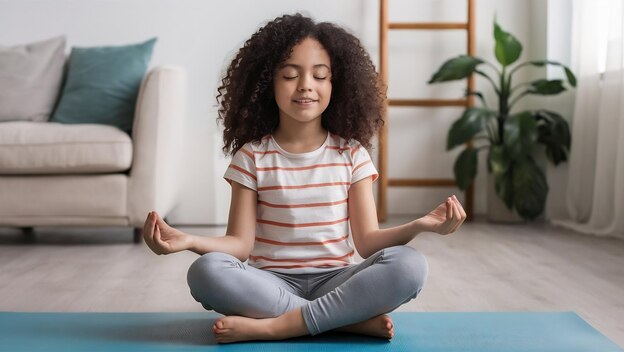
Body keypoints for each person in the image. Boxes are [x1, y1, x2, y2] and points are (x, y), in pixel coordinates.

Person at [143, 13, 466, 344]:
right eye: (289, 75)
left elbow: (367, 242)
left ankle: (278, 326)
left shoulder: (353, 155)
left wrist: (421, 225)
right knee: (205, 272)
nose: (305, 86)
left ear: (335, 84)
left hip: (338, 280)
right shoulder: (252, 156)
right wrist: (189, 242)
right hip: (270, 283)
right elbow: (238, 246)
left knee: (410, 265)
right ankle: (343, 321)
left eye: (320, 76)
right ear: (268, 82)